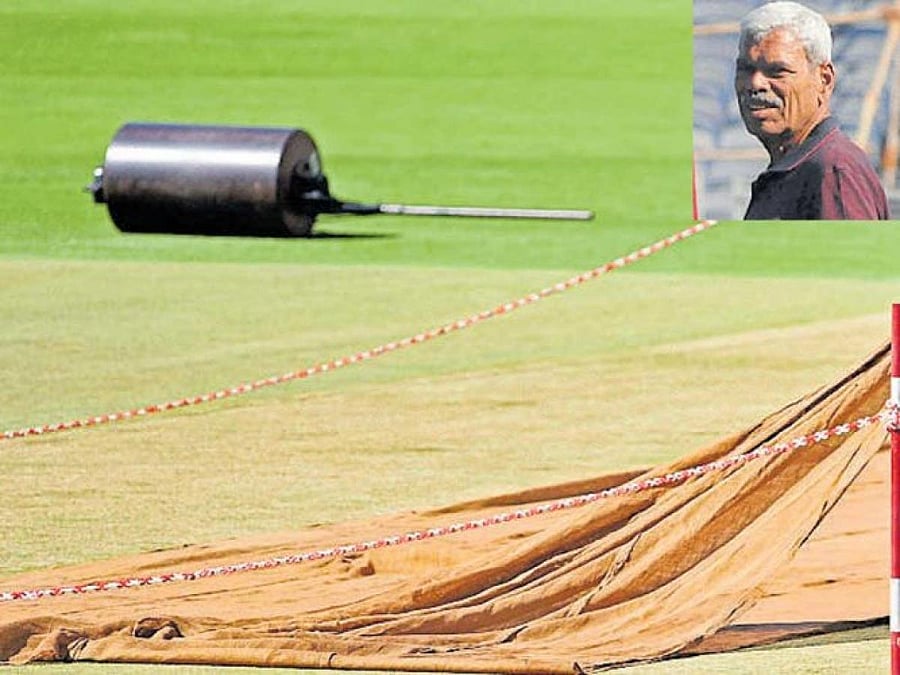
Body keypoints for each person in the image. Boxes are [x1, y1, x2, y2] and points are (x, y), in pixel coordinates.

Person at [735, 1, 889, 219]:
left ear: (824, 80)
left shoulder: (833, 174)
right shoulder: (803, 169)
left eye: (777, 71)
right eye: (745, 69)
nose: (755, 84)